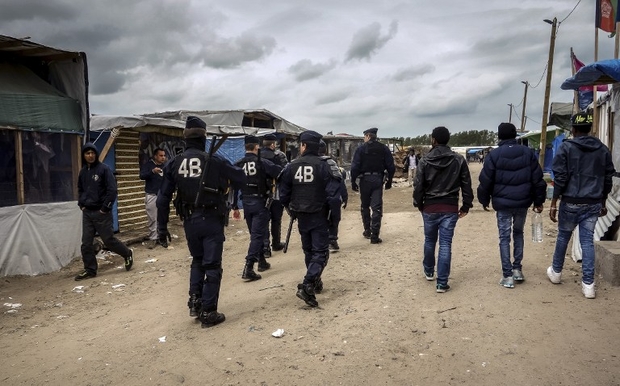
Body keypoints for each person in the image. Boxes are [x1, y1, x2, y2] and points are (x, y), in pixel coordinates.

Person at [157, 116, 246, 328]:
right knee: (212, 264)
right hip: (212, 219)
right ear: (204, 137)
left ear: (185, 137)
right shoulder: (214, 160)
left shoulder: (173, 163)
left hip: (189, 220)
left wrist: (161, 228)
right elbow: (241, 177)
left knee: (197, 260)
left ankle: (195, 302)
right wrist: (223, 180)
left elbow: (162, 199)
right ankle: (208, 311)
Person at [546, 112, 615, 299]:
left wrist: (554, 202)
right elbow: (608, 178)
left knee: (563, 237)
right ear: (590, 129)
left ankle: (557, 273)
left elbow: (559, 177)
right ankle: (588, 285)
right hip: (593, 203)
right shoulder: (602, 149)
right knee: (587, 241)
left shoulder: (566, 148)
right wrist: (603, 201)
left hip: (570, 201)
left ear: (574, 129)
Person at [477, 122, 546, 289]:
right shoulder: (527, 153)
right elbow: (537, 179)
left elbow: (485, 180)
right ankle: (517, 270)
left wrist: (484, 200)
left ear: (499, 136)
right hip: (523, 202)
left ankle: (507, 276)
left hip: (502, 204)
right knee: (518, 233)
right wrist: (539, 201)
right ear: (515, 135)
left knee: (504, 237)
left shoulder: (494, 155)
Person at [279, 130, 341, 307]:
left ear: (304, 146)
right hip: (319, 215)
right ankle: (307, 284)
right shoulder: (325, 165)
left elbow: (283, 195)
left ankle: (315, 281)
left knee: (309, 251)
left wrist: (292, 211)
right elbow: (334, 196)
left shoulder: (291, 166)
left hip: (301, 216)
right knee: (320, 252)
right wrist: (334, 218)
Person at [413, 126, 473, 293]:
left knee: (429, 240)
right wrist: (466, 205)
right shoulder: (458, 160)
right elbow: (466, 184)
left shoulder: (424, 160)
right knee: (445, 243)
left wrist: (419, 204)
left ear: (434, 139)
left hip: (430, 207)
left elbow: (418, 185)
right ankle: (442, 282)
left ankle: (428, 270)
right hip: (450, 207)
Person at [75, 143, 134, 281]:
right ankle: (90, 269)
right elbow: (80, 189)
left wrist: (104, 208)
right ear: (83, 155)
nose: (90, 155)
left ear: (96, 154)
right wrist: (81, 204)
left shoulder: (104, 169)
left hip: (101, 213)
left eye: (92, 153)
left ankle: (127, 253)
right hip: (87, 213)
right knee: (86, 243)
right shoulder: (83, 172)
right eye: (87, 153)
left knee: (108, 240)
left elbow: (112, 190)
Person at [234, 135, 283, 281]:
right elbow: (280, 172)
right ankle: (249, 267)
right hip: (260, 202)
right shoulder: (263, 163)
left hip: (246, 203)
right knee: (257, 235)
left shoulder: (238, 163)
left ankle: (261, 261)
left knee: (255, 234)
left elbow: (233, 186)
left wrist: (234, 207)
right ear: (257, 147)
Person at [350, 127, 395, 244]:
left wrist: (353, 181)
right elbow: (391, 166)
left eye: (365, 136)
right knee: (377, 207)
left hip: (364, 180)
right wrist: (389, 181)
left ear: (368, 136)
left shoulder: (360, 149)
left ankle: (367, 230)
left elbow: (354, 167)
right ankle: (375, 235)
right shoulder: (383, 148)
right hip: (377, 179)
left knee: (365, 206)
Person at [260, 133, 289, 257]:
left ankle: (265, 248)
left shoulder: (257, 155)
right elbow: (286, 173)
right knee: (276, 219)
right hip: (276, 191)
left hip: (261, 193)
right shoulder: (279, 155)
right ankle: (276, 243)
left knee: (264, 220)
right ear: (273, 144)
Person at [319, 140, 348, 252]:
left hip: (314, 198)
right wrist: (344, 197)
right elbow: (340, 180)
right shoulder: (330, 163)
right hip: (331, 197)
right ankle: (331, 240)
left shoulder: (305, 162)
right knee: (333, 218)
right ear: (325, 150)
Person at [139, 147, 166, 249]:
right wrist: (152, 172)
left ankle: (161, 237)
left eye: (164, 155)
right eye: (161, 155)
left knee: (162, 218)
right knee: (152, 218)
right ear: (155, 156)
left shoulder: (165, 166)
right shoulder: (149, 165)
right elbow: (141, 176)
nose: (163, 157)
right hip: (152, 195)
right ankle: (153, 239)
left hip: (162, 196)